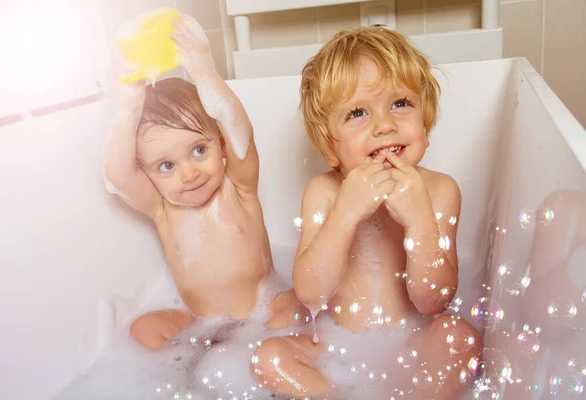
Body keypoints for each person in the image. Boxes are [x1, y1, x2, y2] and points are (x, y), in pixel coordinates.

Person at [251, 26, 482, 399]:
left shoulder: (439, 190)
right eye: (358, 112)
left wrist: (420, 219)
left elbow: (434, 300)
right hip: (337, 348)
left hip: (414, 343)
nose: (385, 124)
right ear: (331, 146)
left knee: (459, 336)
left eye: (401, 103)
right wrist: (346, 213)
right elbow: (311, 295)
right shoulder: (324, 193)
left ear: (426, 120)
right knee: (269, 357)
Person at [104, 12, 306, 383]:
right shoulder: (163, 209)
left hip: (266, 310)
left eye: (199, 150)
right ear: (147, 174)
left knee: (300, 306)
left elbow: (240, 131)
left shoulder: (238, 187)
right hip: (199, 323)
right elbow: (117, 176)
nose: (189, 172)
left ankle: (266, 368)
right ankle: (197, 378)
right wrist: (128, 106)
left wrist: (203, 72)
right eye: (166, 165)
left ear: (221, 144)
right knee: (143, 330)